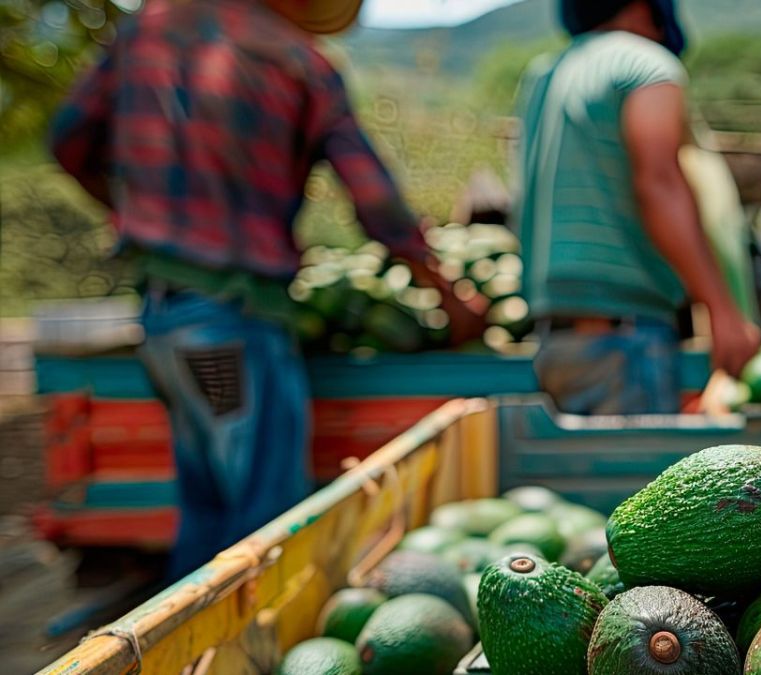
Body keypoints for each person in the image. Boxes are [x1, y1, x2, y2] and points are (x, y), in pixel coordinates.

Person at [50, 0, 482, 578]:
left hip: (164, 319)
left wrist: (138, 215)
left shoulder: (147, 28)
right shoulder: (300, 63)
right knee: (263, 523)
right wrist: (449, 296)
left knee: (208, 509)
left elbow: (68, 141)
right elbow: (376, 202)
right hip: (232, 327)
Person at [515, 0, 761, 415]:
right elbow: (658, 185)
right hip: (625, 338)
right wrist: (723, 310)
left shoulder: (544, 76)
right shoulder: (646, 65)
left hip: (555, 339)